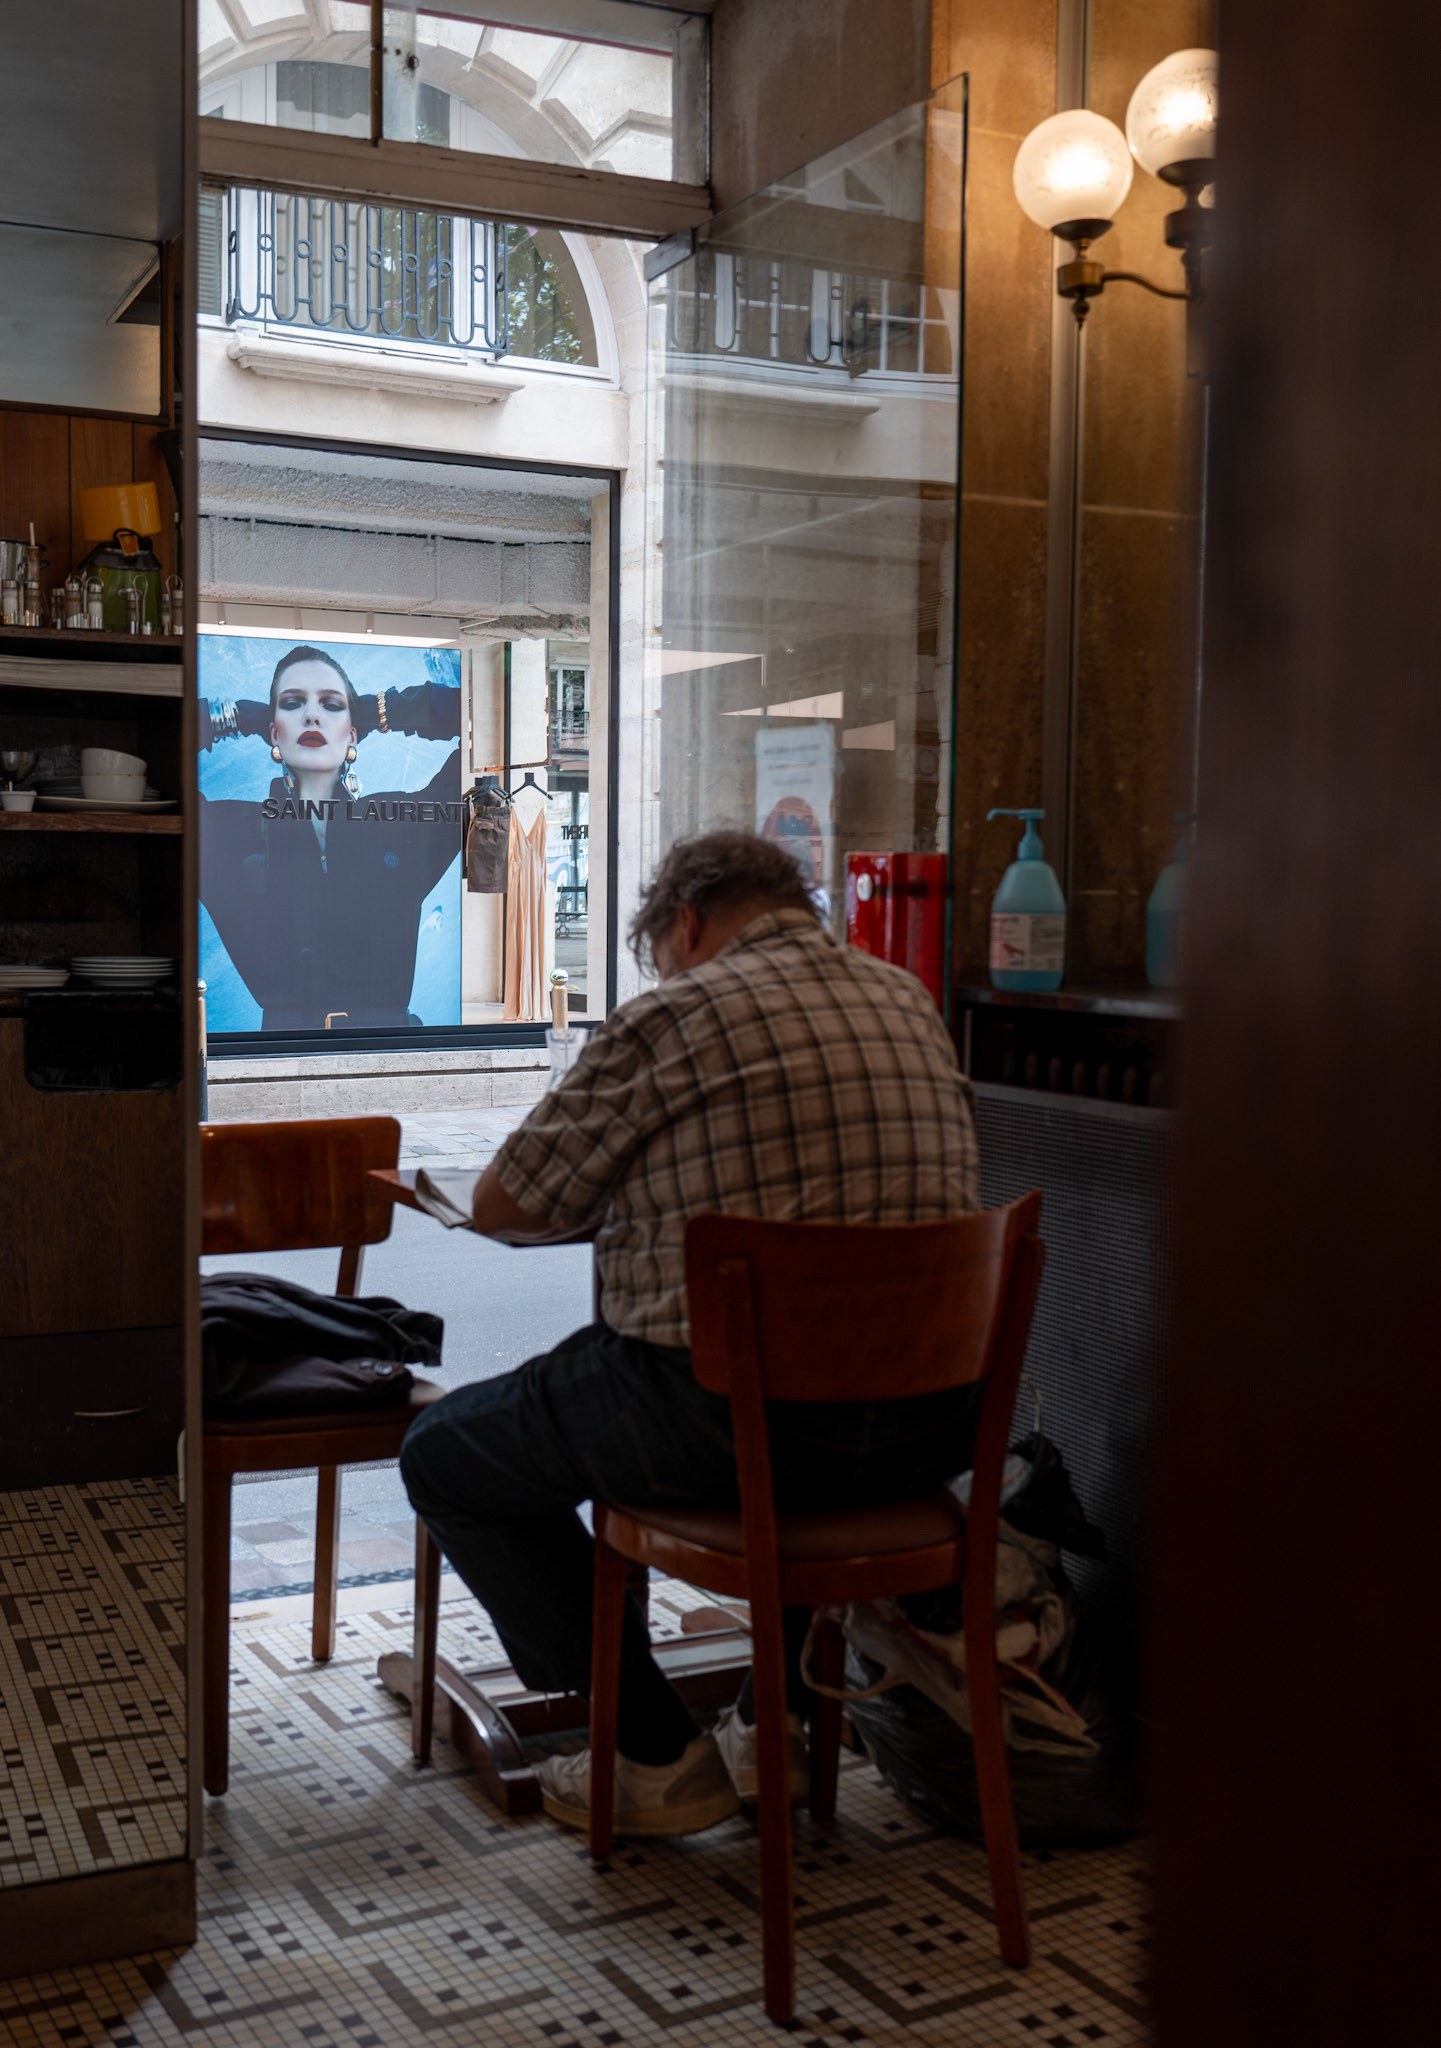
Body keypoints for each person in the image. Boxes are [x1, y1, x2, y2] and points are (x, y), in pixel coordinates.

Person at [400, 829, 982, 1837]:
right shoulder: (906, 999)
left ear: (685, 923)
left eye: (661, 951)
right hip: (929, 1430)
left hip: (726, 1425)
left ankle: (654, 1750)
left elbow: (506, 1202)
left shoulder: (672, 1013)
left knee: (447, 1452)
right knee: (791, 1382)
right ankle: (774, 1722)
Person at [198, 645, 461, 1030]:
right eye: (292, 703)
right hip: (283, 1058)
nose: (312, 715)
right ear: (273, 731)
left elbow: (483, 728)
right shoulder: (232, 832)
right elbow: (148, 750)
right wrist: (233, 716)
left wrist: (382, 710)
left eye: (331, 705)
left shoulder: (396, 824)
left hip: (390, 1056)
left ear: (353, 732)